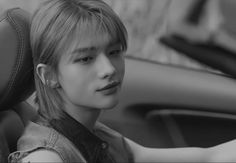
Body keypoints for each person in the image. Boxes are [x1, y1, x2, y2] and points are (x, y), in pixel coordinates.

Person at [8, 0, 236, 162]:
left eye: (115, 52)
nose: (108, 69)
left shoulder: (95, 137)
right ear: (49, 75)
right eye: (86, 59)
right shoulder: (45, 157)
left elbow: (208, 157)